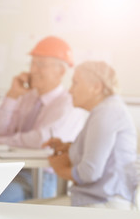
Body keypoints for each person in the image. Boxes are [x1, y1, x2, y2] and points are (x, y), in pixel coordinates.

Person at [0, 36, 87, 202]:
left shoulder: (69, 102)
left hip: (42, 177)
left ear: (61, 71)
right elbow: (1, 131)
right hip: (13, 170)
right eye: (32, 63)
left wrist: (2, 141)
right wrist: (12, 95)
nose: (33, 70)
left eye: (41, 64)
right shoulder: (28, 96)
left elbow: (42, 138)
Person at [43, 61, 137, 210]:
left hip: (103, 204)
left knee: (20, 212)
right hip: (98, 199)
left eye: (75, 83)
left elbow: (90, 172)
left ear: (96, 87)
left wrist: (59, 169)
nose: (70, 90)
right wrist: (69, 147)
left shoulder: (106, 113)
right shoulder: (107, 110)